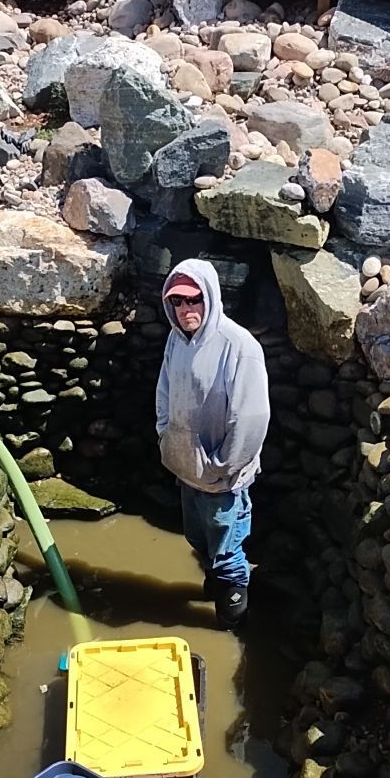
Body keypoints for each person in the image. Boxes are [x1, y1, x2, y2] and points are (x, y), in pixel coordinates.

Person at [156, 258, 270, 628]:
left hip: (223, 477)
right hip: (187, 469)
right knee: (199, 539)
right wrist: (167, 436)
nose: (186, 309)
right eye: (177, 301)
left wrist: (222, 466)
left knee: (227, 551)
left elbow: (251, 417)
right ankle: (216, 586)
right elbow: (165, 392)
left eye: (193, 300)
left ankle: (230, 616)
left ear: (210, 297)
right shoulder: (177, 339)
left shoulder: (239, 346)